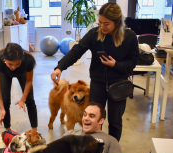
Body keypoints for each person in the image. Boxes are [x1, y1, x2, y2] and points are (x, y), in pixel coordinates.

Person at [51, 3, 139, 142]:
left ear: (117, 22)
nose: (102, 27)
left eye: (106, 24)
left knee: (115, 121)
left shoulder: (130, 37)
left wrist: (115, 65)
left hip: (119, 84)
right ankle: (94, 148)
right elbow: (77, 51)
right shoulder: (94, 34)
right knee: (93, 118)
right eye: (100, 22)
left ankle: (112, 148)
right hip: (98, 84)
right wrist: (59, 67)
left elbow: (132, 63)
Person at [0, 43, 38, 131]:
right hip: (4, 74)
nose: (13, 67)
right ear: (4, 58)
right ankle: (8, 130)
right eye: (10, 64)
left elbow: (29, 81)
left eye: (17, 64)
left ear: (22, 60)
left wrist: (23, 99)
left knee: (30, 100)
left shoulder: (28, 60)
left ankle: (34, 130)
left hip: (22, 73)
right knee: (5, 102)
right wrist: (1, 109)